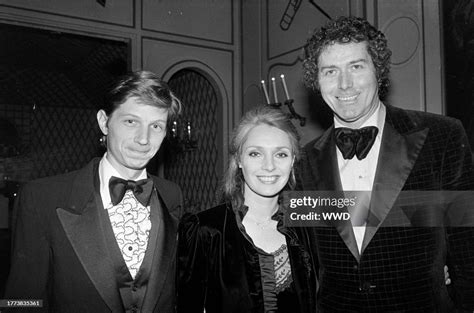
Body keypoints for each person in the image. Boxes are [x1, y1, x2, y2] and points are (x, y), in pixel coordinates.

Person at [297, 16, 474, 312]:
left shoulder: (442, 136)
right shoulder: (303, 161)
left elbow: (468, 245)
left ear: (378, 71)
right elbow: (303, 256)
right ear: (317, 81)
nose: (344, 84)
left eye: (356, 66)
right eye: (330, 71)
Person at [4, 71, 183, 313]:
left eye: (156, 126)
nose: (144, 139)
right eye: (131, 121)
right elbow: (20, 302)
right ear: (103, 122)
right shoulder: (41, 198)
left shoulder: (172, 196)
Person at [177, 106, 316, 313]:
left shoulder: (308, 222)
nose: (269, 166)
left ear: (293, 160)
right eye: (255, 153)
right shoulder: (205, 229)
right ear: (239, 160)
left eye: (281, 154)